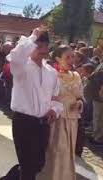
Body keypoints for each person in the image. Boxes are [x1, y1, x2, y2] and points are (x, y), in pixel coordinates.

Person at [6, 28, 63, 180]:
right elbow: (15, 56)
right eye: (38, 46)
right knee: (28, 167)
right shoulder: (21, 67)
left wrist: (54, 110)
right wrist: (33, 36)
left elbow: (55, 97)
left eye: (45, 46)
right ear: (31, 46)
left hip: (43, 123)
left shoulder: (51, 72)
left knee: (38, 163)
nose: (42, 50)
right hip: (24, 122)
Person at [37, 45, 83, 180]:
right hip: (56, 120)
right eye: (67, 57)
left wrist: (79, 103)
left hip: (72, 120)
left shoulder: (76, 75)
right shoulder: (52, 75)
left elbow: (80, 96)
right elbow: (45, 97)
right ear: (57, 59)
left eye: (73, 57)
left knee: (68, 152)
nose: (71, 60)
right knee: (55, 151)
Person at [84, 62, 103, 146]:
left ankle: (98, 138)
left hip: (99, 97)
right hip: (96, 96)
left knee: (98, 117)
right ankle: (96, 134)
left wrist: (101, 93)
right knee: (97, 117)